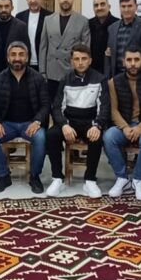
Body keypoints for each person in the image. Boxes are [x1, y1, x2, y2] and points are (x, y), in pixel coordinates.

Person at [46, 44, 110, 198]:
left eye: (84, 59)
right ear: (72, 61)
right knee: (51, 135)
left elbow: (105, 107)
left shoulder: (100, 79)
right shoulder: (65, 79)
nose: (80, 62)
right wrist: (64, 125)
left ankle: (90, 180)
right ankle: (57, 178)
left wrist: (98, 125)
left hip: (90, 122)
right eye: (77, 59)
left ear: (90, 60)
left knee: (96, 137)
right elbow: (57, 107)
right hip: (70, 122)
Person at [0, 42, 50, 194]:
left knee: (41, 137)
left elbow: (46, 105)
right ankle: (3, 176)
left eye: (21, 55)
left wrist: (37, 121)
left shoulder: (38, 78)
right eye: (13, 55)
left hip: (30, 124)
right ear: (8, 58)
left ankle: (34, 176)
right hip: (7, 124)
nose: (17, 58)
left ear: (27, 57)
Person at [103, 46, 141, 201]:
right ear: (124, 62)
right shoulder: (114, 82)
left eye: (136, 59)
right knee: (109, 137)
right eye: (129, 60)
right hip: (125, 125)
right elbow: (113, 110)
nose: (133, 63)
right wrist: (124, 127)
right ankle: (122, 178)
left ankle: (138, 179)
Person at [39, 0, 90, 100]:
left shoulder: (83, 21)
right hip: (52, 72)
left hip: (72, 72)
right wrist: (42, 71)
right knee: (53, 105)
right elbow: (43, 47)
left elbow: (86, 49)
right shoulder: (48, 20)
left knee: (72, 105)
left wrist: (82, 71)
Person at [104, 0, 141, 77]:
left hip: (138, 75)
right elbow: (109, 53)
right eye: (123, 6)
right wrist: (107, 75)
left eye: (130, 6)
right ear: (120, 8)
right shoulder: (112, 28)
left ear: (136, 7)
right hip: (116, 75)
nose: (126, 9)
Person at [15, 0, 52, 70]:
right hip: (24, 63)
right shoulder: (19, 17)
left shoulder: (50, 16)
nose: (33, 0)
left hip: (44, 63)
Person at [0, 0, 29, 73]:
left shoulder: (21, 26)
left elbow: (26, 50)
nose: (3, 9)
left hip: (14, 69)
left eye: (7, 6)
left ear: (12, 8)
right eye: (0, 6)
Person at [88, 0, 118, 70]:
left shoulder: (117, 24)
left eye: (102, 4)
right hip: (92, 69)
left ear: (109, 7)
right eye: (96, 5)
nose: (99, 8)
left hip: (113, 69)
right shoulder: (88, 24)